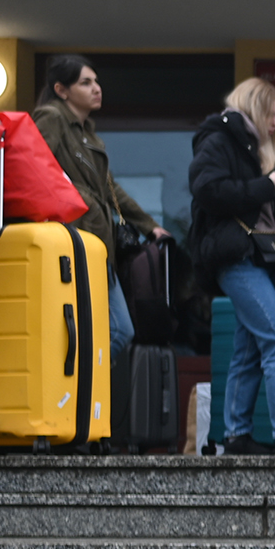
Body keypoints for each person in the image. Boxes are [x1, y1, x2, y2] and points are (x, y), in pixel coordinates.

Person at [186, 77, 275, 453]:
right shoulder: (219, 140)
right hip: (235, 257)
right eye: (272, 115)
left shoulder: (258, 149)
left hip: (258, 256)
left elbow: (271, 216)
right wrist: (269, 185)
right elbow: (208, 190)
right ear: (255, 107)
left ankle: (236, 435)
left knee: (249, 349)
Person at [33, 55, 168, 360]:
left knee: (112, 330)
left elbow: (110, 189)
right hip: (72, 241)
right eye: (85, 82)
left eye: (96, 81)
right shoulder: (52, 118)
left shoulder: (86, 133)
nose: (97, 88)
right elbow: (36, 172)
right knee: (116, 330)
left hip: (95, 244)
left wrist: (149, 226)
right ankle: (77, 392)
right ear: (61, 89)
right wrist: (75, 197)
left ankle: (81, 393)